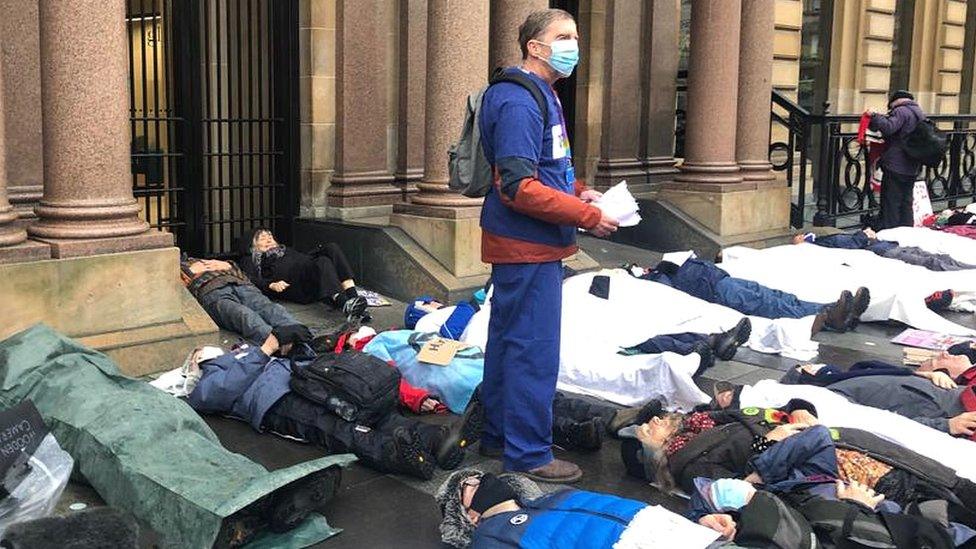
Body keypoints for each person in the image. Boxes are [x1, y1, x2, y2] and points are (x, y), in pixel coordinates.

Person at [477, 8, 618, 483]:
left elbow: (546, 167)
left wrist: (580, 192)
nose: (573, 45)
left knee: (506, 344)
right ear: (534, 47)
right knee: (532, 351)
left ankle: (498, 436)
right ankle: (529, 453)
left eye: (574, 35)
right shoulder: (519, 100)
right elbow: (517, 186)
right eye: (562, 37)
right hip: (527, 246)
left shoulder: (542, 94)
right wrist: (589, 217)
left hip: (526, 246)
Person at [183, 329, 483, 480]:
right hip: (277, 403)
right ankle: (397, 455)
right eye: (197, 354)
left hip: (306, 380)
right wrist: (264, 350)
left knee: (371, 412)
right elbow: (215, 394)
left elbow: (278, 358)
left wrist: (292, 343)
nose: (203, 352)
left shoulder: (241, 353)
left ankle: (437, 440)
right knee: (335, 428)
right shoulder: (209, 375)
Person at [618, 400, 976, 522]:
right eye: (644, 431)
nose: (650, 421)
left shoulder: (705, 421)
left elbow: (776, 410)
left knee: (949, 485)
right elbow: (744, 489)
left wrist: (800, 408)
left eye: (649, 419)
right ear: (651, 455)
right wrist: (767, 442)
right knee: (945, 501)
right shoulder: (689, 462)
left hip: (844, 444)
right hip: (848, 471)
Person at [435, 469, 719, 549]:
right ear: (468, 515)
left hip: (692, 536)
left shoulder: (556, 496)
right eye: (468, 486)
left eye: (479, 475)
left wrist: (697, 519)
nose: (481, 479)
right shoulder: (489, 537)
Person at [645, 259, 870, 334]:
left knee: (778, 296)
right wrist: (654, 273)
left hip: (719, 279)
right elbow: (666, 295)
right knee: (768, 304)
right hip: (714, 291)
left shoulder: (657, 270)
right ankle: (831, 316)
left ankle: (838, 310)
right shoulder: (651, 282)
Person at [775, 361, 976, 439]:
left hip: (835, 398)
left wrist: (946, 425)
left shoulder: (951, 415)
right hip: (838, 389)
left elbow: (894, 428)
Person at [238, 228, 369, 322]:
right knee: (322, 261)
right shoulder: (252, 258)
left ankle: (354, 300)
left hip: (307, 272)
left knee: (331, 247)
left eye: (270, 236)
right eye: (262, 238)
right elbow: (249, 278)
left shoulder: (285, 250)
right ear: (253, 245)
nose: (269, 239)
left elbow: (304, 260)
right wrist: (270, 284)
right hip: (295, 285)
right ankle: (343, 302)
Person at [180, 254, 306, 344]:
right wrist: (189, 271)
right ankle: (275, 342)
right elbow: (172, 288)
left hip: (241, 284)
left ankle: (301, 335)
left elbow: (241, 271)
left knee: (268, 307)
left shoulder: (208, 260)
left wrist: (228, 265)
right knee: (241, 313)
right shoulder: (178, 269)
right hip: (211, 291)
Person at [792, 227, 976, 272]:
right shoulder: (822, 245)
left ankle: (968, 268)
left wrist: (864, 235)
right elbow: (851, 244)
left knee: (936, 257)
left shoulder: (826, 238)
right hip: (883, 250)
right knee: (931, 261)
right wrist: (864, 235)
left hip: (886, 246)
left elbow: (849, 241)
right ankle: (969, 271)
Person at [868, 90, 926, 229]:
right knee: (906, 201)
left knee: (891, 201)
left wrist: (874, 115)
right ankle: (906, 229)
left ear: (894, 101)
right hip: (912, 165)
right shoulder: (918, 112)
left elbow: (889, 127)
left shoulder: (901, 111)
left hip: (896, 164)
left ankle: (890, 230)